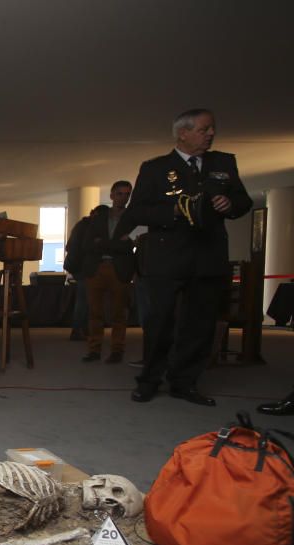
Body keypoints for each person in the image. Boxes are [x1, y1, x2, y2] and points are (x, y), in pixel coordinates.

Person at [126, 109, 251, 406]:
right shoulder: (155, 168)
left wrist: (229, 203)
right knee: (160, 322)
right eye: (204, 129)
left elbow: (243, 201)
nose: (210, 134)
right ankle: (150, 380)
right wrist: (175, 211)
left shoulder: (224, 163)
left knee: (200, 323)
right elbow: (138, 211)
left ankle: (185, 382)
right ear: (183, 133)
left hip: (208, 256)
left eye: (212, 129)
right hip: (167, 257)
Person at [80, 181, 135, 363]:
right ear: (112, 195)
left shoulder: (132, 219)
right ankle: (94, 350)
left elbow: (131, 246)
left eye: (127, 194)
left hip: (120, 269)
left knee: (118, 313)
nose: (123, 197)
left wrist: (102, 244)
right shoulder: (98, 218)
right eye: (120, 193)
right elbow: (88, 244)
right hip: (97, 268)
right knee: (95, 312)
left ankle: (117, 351)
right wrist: (118, 244)